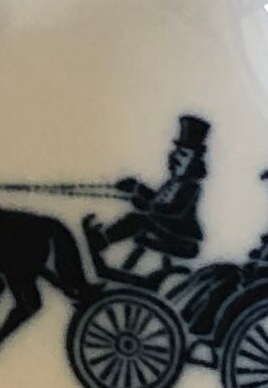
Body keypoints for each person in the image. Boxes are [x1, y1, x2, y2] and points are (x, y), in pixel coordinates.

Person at [83, 114, 212, 275]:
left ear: (194, 163)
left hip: (182, 239)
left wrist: (144, 204)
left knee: (138, 220)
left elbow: (174, 211)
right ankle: (102, 241)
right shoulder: (173, 182)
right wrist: (136, 187)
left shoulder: (191, 187)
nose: (176, 157)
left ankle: (101, 241)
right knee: (140, 219)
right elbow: (156, 199)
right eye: (177, 152)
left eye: (184, 155)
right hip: (166, 229)